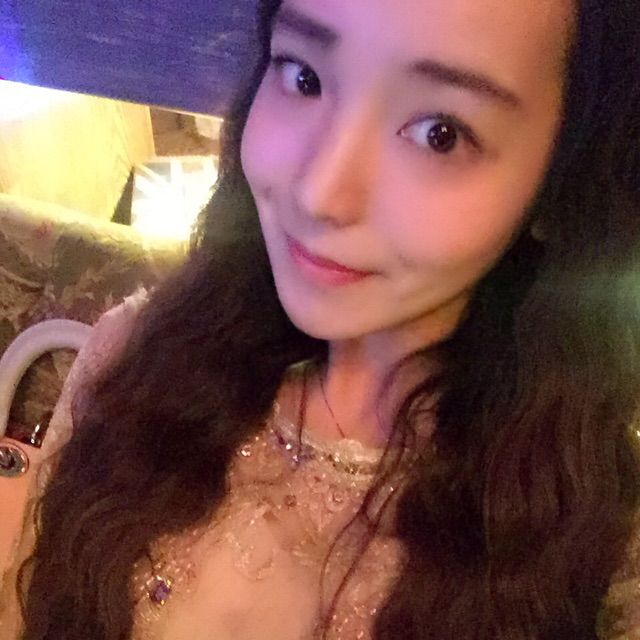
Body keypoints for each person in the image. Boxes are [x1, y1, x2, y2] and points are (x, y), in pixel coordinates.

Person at [1, 0, 640, 637]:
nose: (318, 193)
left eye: (440, 133)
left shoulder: (604, 534)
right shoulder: (132, 356)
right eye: (304, 76)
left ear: (563, 181)